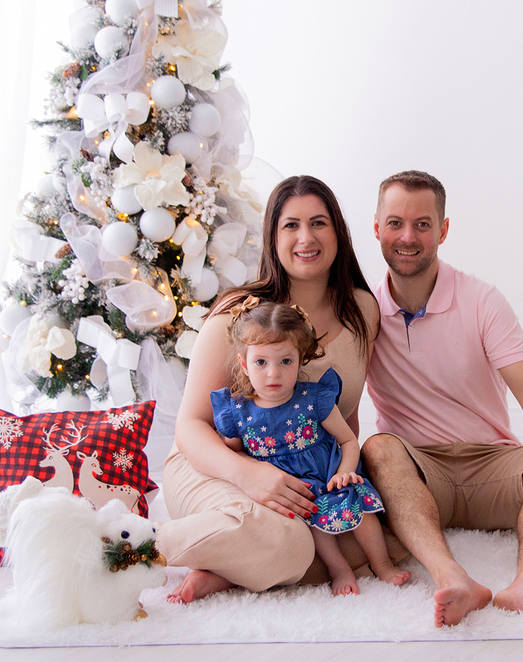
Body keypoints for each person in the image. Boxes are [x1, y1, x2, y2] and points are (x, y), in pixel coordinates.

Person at [157, 175, 397, 602]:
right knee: (292, 543)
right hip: (214, 464)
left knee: (361, 537)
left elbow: (346, 417)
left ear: (338, 232)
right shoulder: (238, 314)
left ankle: (224, 573)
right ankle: (142, 549)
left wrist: (342, 476)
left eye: (318, 223)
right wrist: (247, 474)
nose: (306, 237)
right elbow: (190, 426)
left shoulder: (362, 310)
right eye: (291, 225)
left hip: (301, 473)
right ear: (272, 236)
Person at [361, 170, 523, 630]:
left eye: (423, 224)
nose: (408, 236)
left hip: (490, 464)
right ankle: (453, 577)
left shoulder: (481, 299)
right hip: (420, 474)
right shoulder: (361, 310)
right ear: (376, 227)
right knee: (377, 448)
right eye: (396, 223)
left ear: (443, 230)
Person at [205, 298, 410, 596]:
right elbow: (234, 454)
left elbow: (348, 440)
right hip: (289, 491)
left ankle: (382, 563)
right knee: (312, 525)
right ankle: (338, 568)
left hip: (328, 477)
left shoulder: (313, 399)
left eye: (285, 361)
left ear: (301, 360)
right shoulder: (238, 413)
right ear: (244, 364)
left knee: (361, 513)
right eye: (261, 362)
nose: (273, 374)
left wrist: (345, 473)